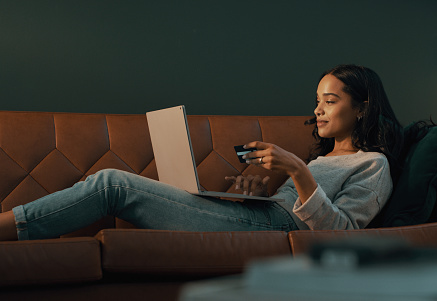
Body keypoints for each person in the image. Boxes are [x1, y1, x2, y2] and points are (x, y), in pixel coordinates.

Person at [0, 64, 404, 241]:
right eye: (317, 100)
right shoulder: (324, 159)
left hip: (275, 232)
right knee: (105, 183)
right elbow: (297, 204)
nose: (317, 109)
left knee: (112, 184)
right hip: (262, 218)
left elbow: (342, 234)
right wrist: (256, 190)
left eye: (329, 101)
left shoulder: (373, 164)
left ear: (362, 107)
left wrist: (298, 171)